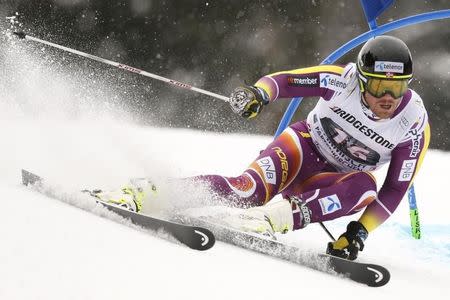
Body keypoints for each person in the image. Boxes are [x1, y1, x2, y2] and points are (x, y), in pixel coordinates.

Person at [93, 35, 430, 261]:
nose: (388, 97)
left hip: (331, 183)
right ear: (361, 79)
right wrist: (259, 94)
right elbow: (285, 81)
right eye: (379, 85)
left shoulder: (412, 124)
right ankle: (148, 193)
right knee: (247, 190)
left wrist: (358, 232)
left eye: (397, 87)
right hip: (302, 149)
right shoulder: (341, 80)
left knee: (366, 187)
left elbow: (395, 189)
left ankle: (272, 219)